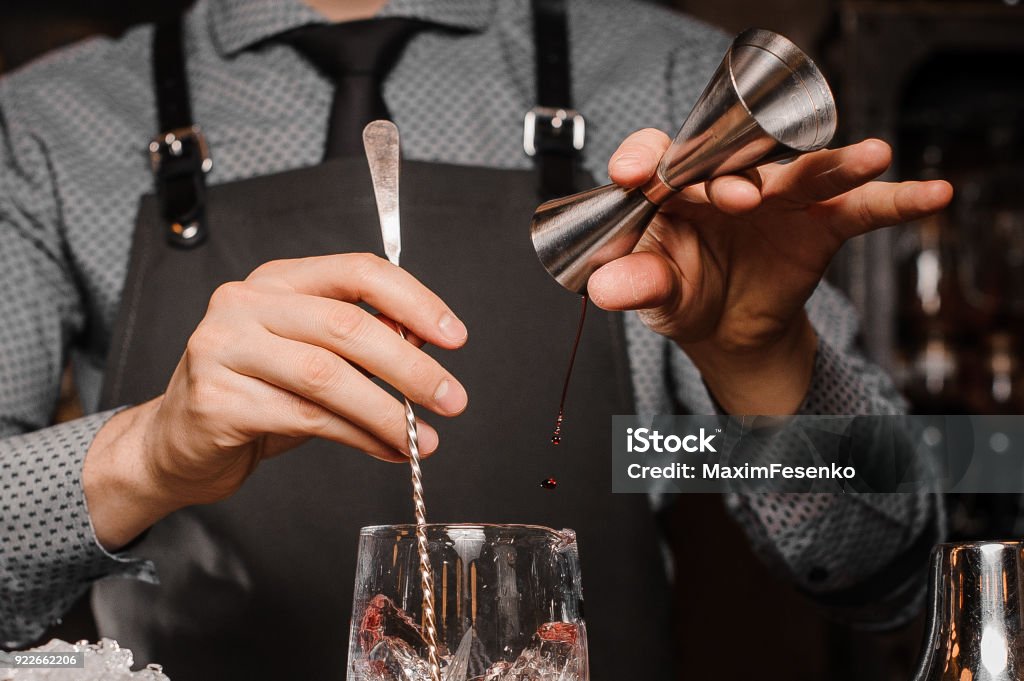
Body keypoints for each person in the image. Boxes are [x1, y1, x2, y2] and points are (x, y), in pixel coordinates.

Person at [0, 0, 951, 678]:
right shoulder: (48, 123)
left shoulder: (671, 78)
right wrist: (143, 449)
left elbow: (891, 566)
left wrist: (760, 362)